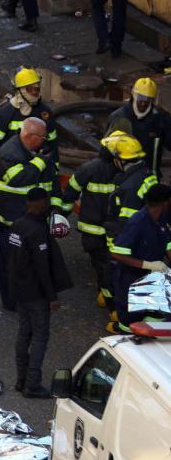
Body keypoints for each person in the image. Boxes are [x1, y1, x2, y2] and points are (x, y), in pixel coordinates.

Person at [8, 187, 72, 398]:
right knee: (39, 338)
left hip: (20, 291)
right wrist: (52, 297)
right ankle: (32, 384)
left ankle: (20, 379)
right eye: (45, 203)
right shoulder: (37, 231)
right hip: (36, 294)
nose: (47, 206)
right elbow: (42, 267)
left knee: (23, 334)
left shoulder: (17, 226)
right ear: (38, 204)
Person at [0, 117, 59, 311]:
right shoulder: (9, 152)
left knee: (33, 262)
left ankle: (31, 296)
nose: (45, 141)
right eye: (42, 137)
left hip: (34, 221)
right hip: (10, 221)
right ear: (29, 135)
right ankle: (11, 301)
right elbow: (17, 178)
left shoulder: (38, 152)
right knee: (9, 265)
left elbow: (51, 181)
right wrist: (39, 163)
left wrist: (55, 208)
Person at [60, 140, 118, 313]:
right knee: (111, 266)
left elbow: (70, 194)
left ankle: (107, 297)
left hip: (91, 230)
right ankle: (112, 303)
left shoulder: (88, 169)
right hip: (114, 232)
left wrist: (61, 217)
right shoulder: (123, 173)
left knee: (100, 265)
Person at [109, 184, 171, 334]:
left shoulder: (162, 218)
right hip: (132, 282)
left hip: (154, 281)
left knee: (154, 320)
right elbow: (116, 253)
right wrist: (147, 264)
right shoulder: (138, 222)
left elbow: (167, 241)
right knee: (130, 327)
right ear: (165, 202)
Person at [0, 68, 59, 168]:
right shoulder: (6, 113)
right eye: (30, 89)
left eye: (37, 89)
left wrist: (54, 170)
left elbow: (52, 145)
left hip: (36, 167)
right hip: (8, 165)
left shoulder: (44, 113)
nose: (35, 92)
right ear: (20, 90)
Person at [106, 78, 171, 178]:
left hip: (150, 178)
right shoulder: (119, 118)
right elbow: (106, 152)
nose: (144, 103)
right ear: (134, 96)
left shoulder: (159, 120)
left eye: (148, 100)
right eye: (141, 98)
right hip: (123, 178)